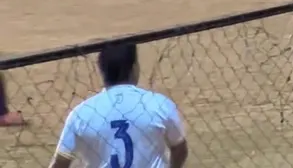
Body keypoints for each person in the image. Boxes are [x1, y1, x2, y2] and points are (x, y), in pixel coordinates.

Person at [49, 42, 189, 168]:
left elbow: (60, 162)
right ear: (134, 69)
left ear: (102, 72)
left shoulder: (81, 113)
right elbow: (180, 149)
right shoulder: (159, 104)